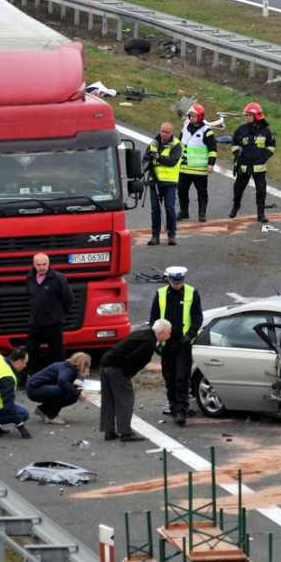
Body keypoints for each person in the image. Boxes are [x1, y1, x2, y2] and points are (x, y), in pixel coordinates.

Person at [99, 319, 172, 442]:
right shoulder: (148, 343)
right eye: (168, 332)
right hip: (117, 368)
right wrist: (127, 374)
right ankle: (125, 432)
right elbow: (134, 359)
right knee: (125, 399)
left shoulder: (143, 334)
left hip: (105, 363)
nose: (169, 335)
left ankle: (109, 431)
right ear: (161, 332)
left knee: (108, 399)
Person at [149, 266, 203, 427]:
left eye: (180, 282)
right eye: (175, 282)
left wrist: (190, 335)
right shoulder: (160, 294)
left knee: (182, 377)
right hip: (167, 343)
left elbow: (197, 317)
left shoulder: (192, 293)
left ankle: (181, 410)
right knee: (169, 377)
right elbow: (154, 319)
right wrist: (156, 341)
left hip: (183, 343)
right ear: (169, 279)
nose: (178, 285)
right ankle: (173, 406)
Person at [22, 253, 75, 385]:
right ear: (34, 265)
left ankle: (63, 379)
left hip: (54, 324)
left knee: (58, 354)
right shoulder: (30, 278)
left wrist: (60, 315)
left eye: (44, 264)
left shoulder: (58, 278)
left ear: (49, 263)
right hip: (35, 323)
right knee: (29, 352)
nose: (42, 267)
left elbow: (69, 299)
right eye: (38, 265)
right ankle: (21, 381)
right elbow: (30, 296)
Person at [229, 102, 277, 223]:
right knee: (238, 189)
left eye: (250, 115)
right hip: (243, 166)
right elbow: (234, 143)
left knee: (261, 191)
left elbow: (271, 146)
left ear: (257, 116)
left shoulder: (265, 131)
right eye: (247, 115)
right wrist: (237, 155)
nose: (248, 117)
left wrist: (263, 158)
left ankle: (261, 214)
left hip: (259, 167)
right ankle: (236, 206)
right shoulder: (241, 130)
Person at [26, 351, 92, 426]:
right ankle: (51, 416)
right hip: (34, 389)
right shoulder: (68, 368)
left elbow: (66, 382)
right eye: (88, 367)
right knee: (64, 390)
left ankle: (42, 410)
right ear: (83, 365)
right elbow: (62, 381)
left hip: (38, 388)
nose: (88, 369)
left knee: (72, 396)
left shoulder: (69, 367)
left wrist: (77, 390)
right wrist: (78, 393)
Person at [177, 104, 218, 223]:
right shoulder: (184, 128)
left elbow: (212, 149)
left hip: (200, 169)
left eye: (194, 116)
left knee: (202, 191)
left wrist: (211, 164)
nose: (192, 118)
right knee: (181, 190)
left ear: (200, 117)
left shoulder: (207, 131)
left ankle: (202, 213)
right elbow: (179, 145)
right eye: (190, 116)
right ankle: (184, 211)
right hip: (184, 167)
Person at [148, 122, 183, 246]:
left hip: (169, 182)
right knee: (155, 209)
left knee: (170, 209)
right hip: (154, 181)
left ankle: (172, 235)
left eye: (166, 132)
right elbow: (145, 158)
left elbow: (173, 161)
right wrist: (148, 161)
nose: (163, 134)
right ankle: (155, 236)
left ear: (172, 132)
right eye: (162, 131)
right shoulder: (154, 143)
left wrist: (159, 158)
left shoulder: (177, 145)